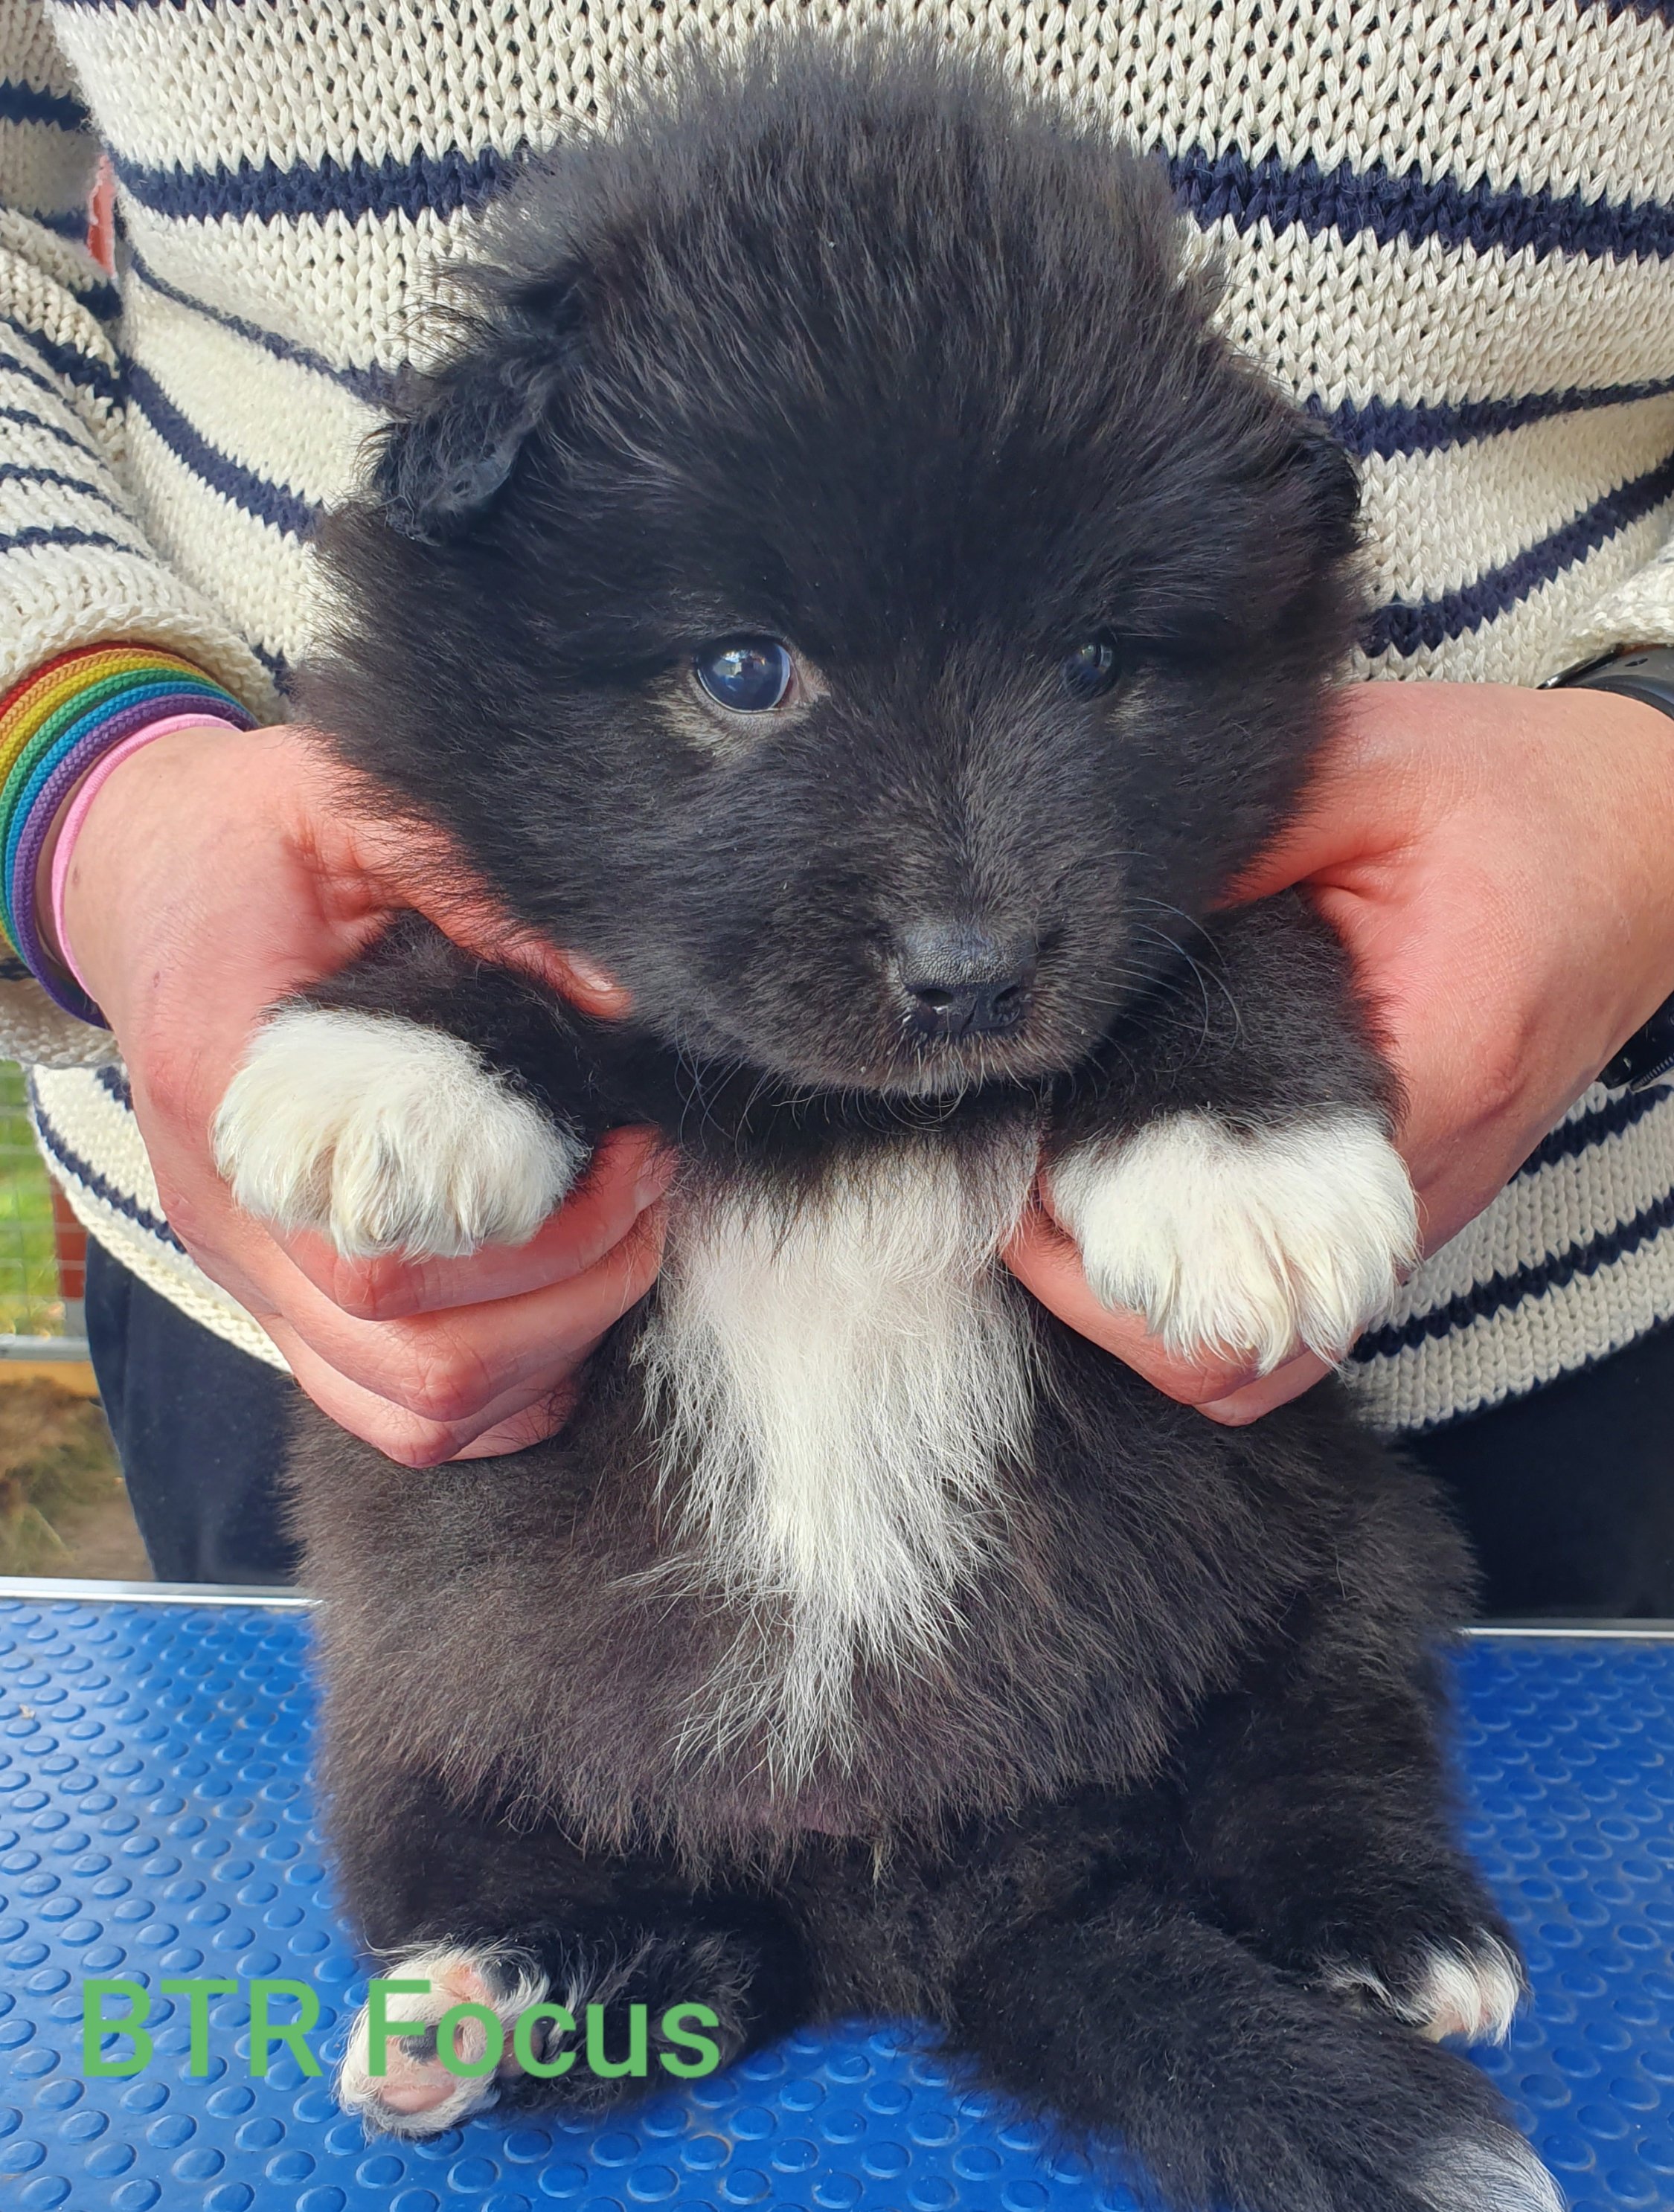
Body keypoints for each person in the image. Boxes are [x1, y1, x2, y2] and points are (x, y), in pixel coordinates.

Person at [1, 1, 1670, 1607]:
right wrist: (80, 785)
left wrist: (1646, 794)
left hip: (1465, 1313)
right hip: (385, 1325)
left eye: (1095, 663)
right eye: (746, 675)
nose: (966, 926)